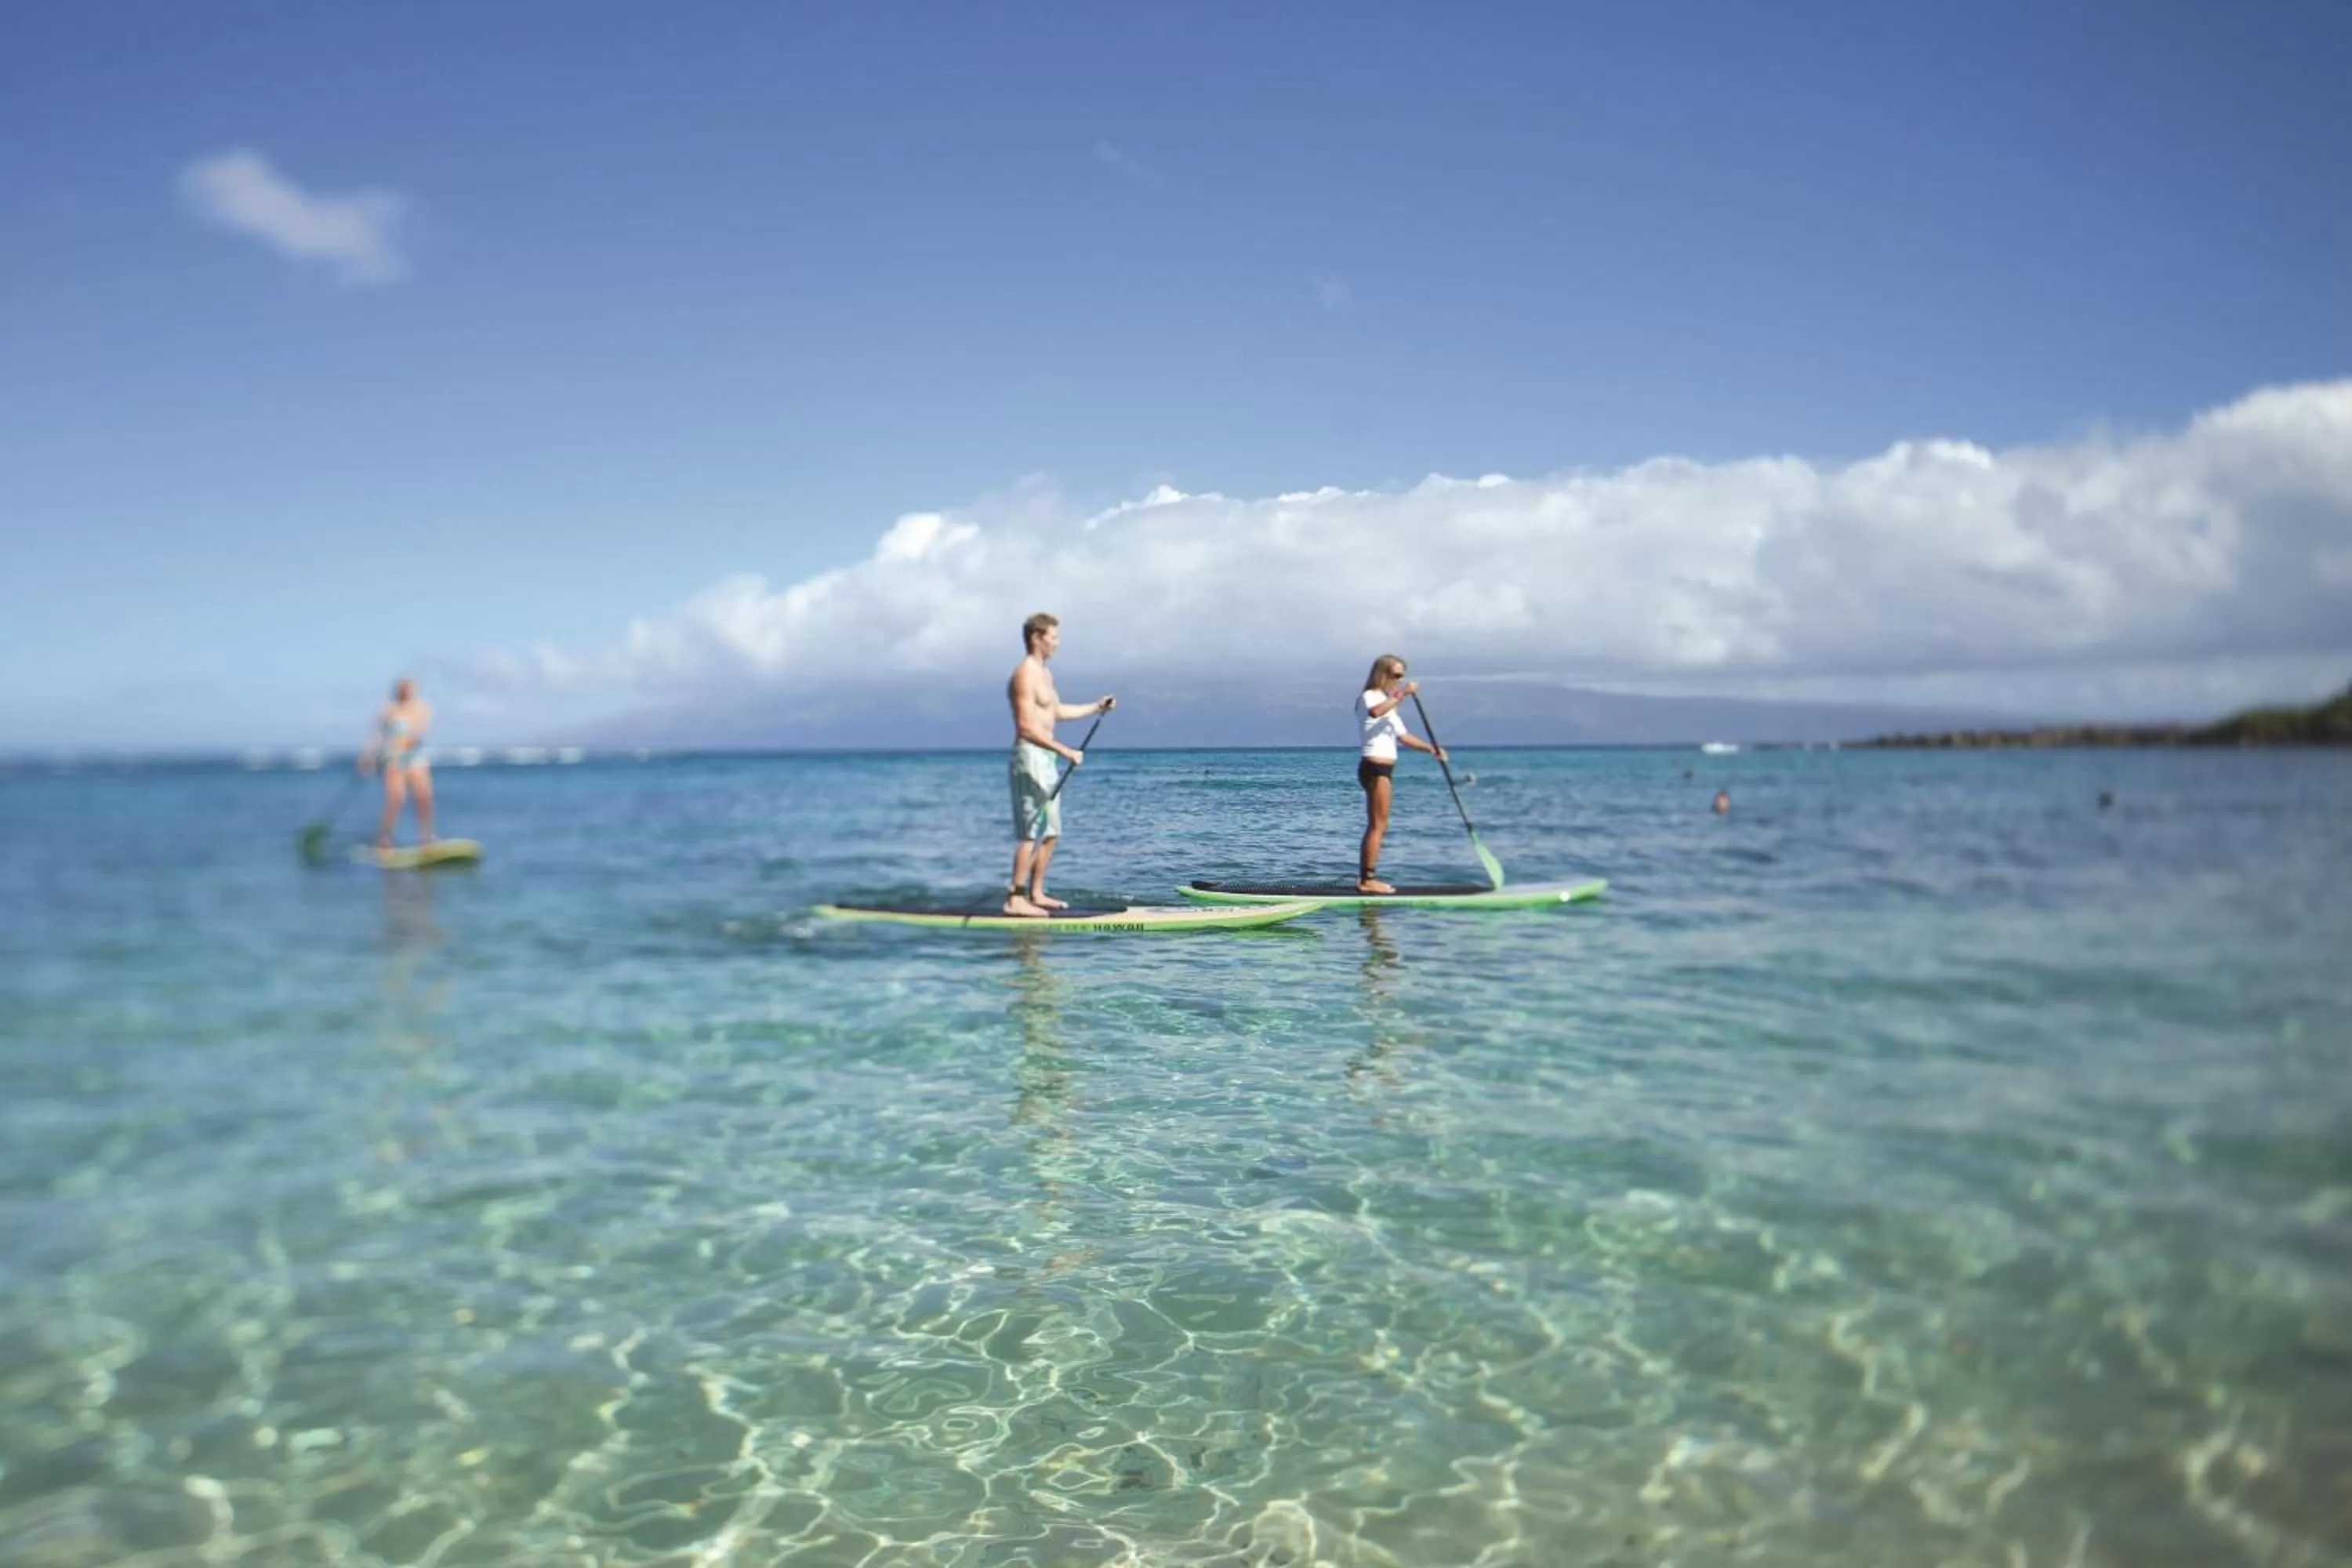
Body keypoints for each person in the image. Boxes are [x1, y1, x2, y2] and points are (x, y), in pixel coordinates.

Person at [1005, 613, 1115, 916]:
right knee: (1030, 829)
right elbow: (1026, 727)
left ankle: (1036, 893)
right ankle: (1015, 899)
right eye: (1053, 637)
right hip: (1029, 756)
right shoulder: (1024, 675)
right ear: (1036, 638)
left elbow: (1057, 712)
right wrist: (1066, 751)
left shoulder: (1045, 675)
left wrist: (1096, 707)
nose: (1057, 643)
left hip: (1047, 758)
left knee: (1052, 830)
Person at [1356, 655, 1445, 895]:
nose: (1400, 680)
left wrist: (1432, 749)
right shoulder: (1370, 696)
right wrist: (1403, 694)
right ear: (1382, 674)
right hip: (1375, 768)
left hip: (1385, 769)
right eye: (1396, 675)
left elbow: (1404, 737)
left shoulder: (1389, 704)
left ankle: (1367, 877)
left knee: (1380, 824)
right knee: (1378, 825)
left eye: (1402, 676)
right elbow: (1376, 712)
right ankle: (1367, 881)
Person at [361, 677, 436, 848]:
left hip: (415, 758)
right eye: (403, 688)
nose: (406, 691)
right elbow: (376, 736)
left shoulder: (421, 707)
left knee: (424, 798)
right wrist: (367, 758)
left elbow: (420, 730)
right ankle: (385, 837)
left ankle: (427, 837)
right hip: (393, 759)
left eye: (409, 688)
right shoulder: (388, 710)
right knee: (396, 799)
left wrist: (408, 739)